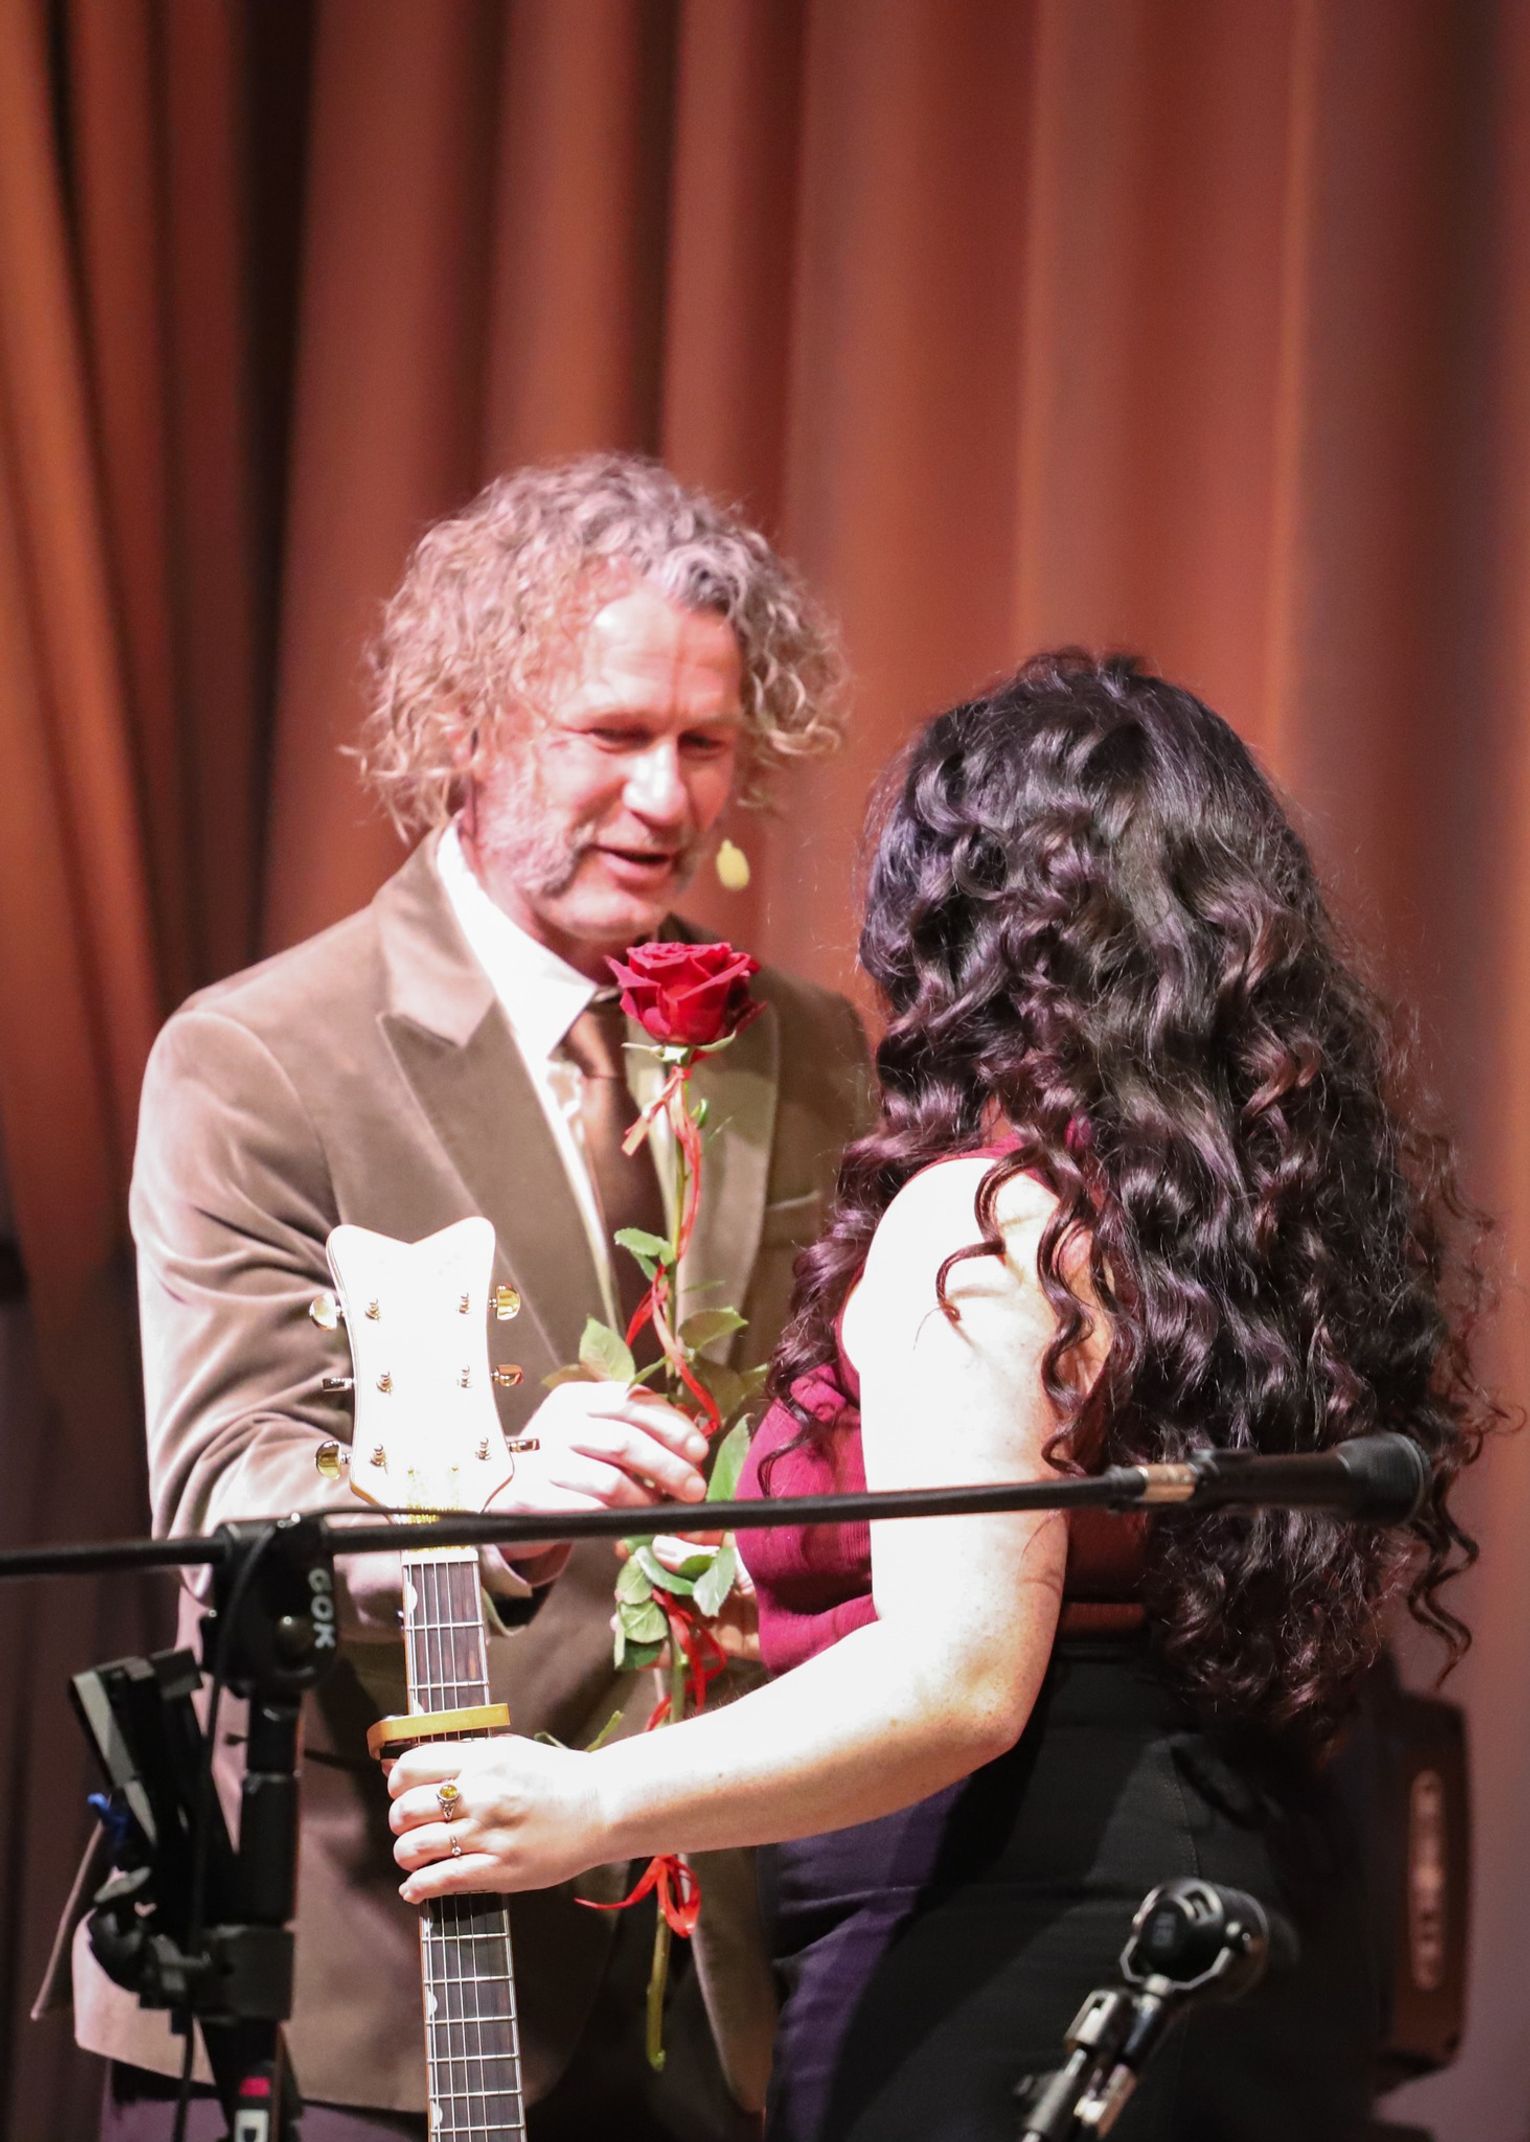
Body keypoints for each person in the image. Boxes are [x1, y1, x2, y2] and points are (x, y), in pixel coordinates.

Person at [385, 651, 1500, 2141]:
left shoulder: (986, 1217)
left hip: (1019, 1929)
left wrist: (590, 1803)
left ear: (965, 921)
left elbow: (960, 1679)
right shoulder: (1247, 1216)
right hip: (1252, 1899)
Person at [57, 455, 872, 2139]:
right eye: (610, 733)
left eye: (704, 743)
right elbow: (227, 1499)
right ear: (466, 723)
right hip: (358, 1982)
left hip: (697, 1985)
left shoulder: (802, 1049)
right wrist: (489, 1518)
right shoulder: (263, 1055)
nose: (664, 797)